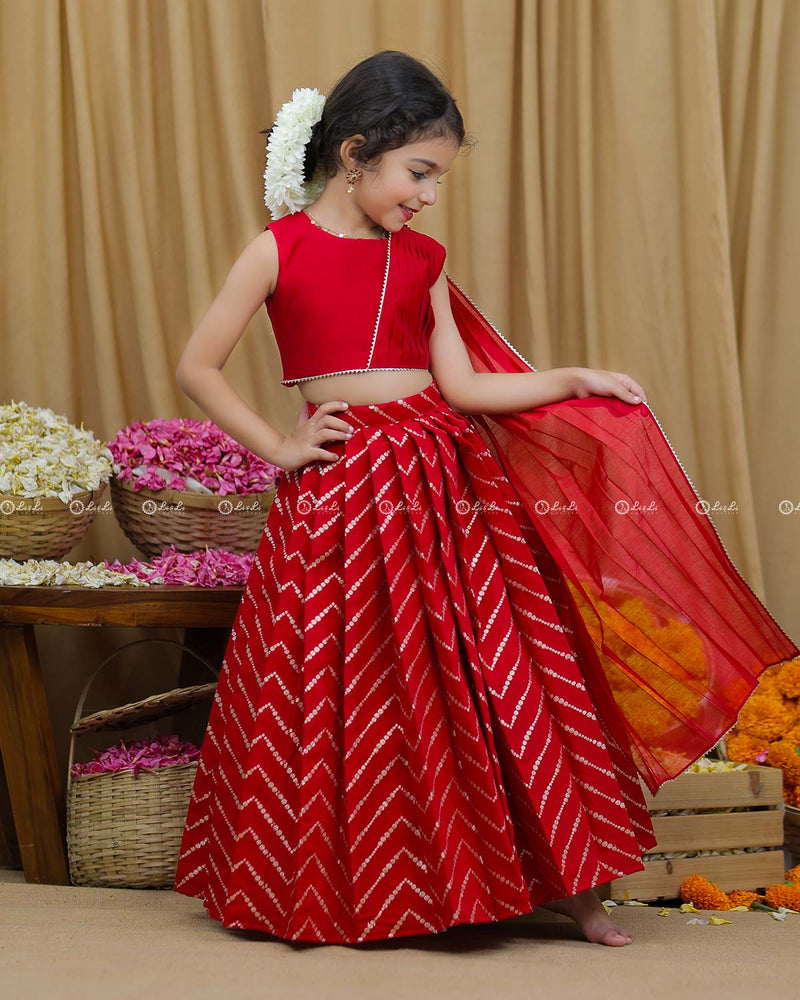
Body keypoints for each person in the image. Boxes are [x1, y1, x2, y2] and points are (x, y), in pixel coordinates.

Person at [172, 50, 800, 948]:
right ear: (355, 155)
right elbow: (199, 365)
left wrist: (572, 376)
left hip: (442, 484)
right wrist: (280, 446)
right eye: (418, 173)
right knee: (336, 683)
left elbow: (463, 388)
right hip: (341, 495)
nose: (428, 195)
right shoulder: (281, 248)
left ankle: (575, 889)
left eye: (439, 179)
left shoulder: (422, 259)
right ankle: (324, 889)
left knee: (497, 677)